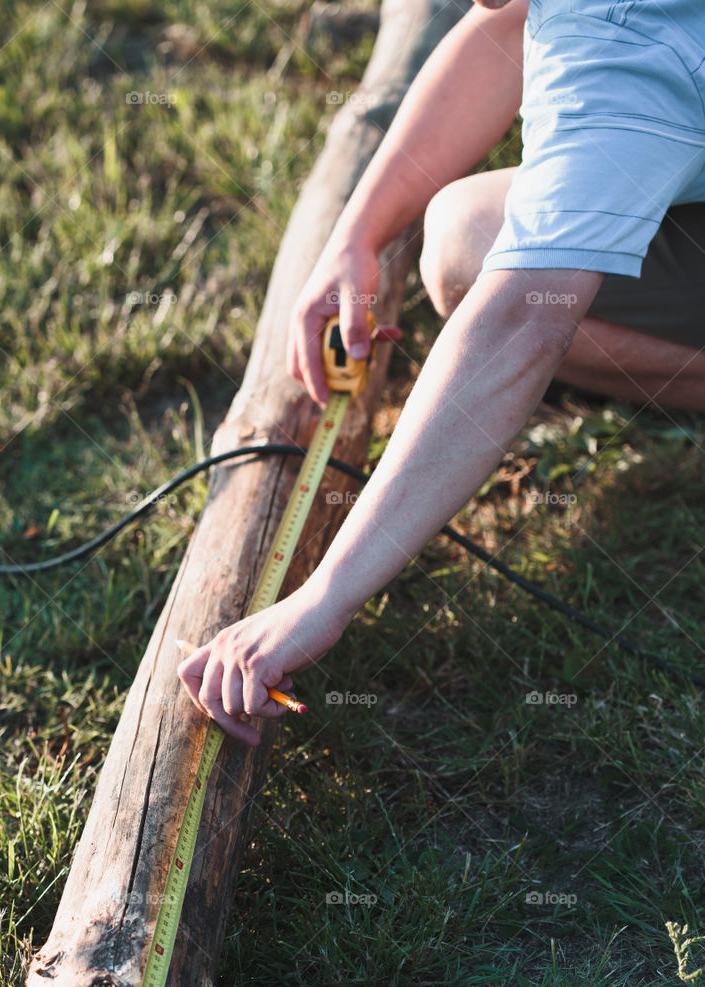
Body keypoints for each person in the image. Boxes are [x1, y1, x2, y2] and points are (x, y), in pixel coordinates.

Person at [178, 0, 705, 744]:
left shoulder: (619, 48)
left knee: (506, 277)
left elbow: (523, 321)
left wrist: (318, 602)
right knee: (466, 237)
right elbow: (502, 27)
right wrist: (357, 234)